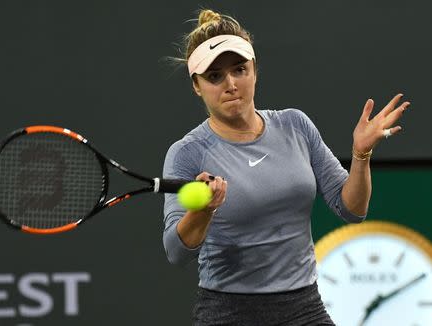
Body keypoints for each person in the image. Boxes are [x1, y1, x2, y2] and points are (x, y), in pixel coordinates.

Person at [162, 9, 409, 326]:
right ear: (197, 86)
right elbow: (176, 251)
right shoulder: (187, 153)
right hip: (227, 314)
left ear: (255, 70)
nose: (231, 84)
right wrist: (204, 210)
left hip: (304, 308)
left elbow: (353, 209)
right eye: (214, 76)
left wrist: (361, 155)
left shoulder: (296, 125)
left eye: (239, 69)